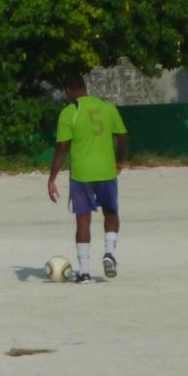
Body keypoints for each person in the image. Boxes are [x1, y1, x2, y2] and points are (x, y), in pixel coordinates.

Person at [47, 74, 127, 283]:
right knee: (111, 213)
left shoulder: (69, 112)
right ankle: (109, 252)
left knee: (83, 220)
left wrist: (52, 178)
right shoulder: (108, 107)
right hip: (107, 171)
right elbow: (122, 136)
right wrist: (120, 160)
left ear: (68, 90)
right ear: (85, 86)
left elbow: (62, 148)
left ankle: (83, 272)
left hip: (81, 175)